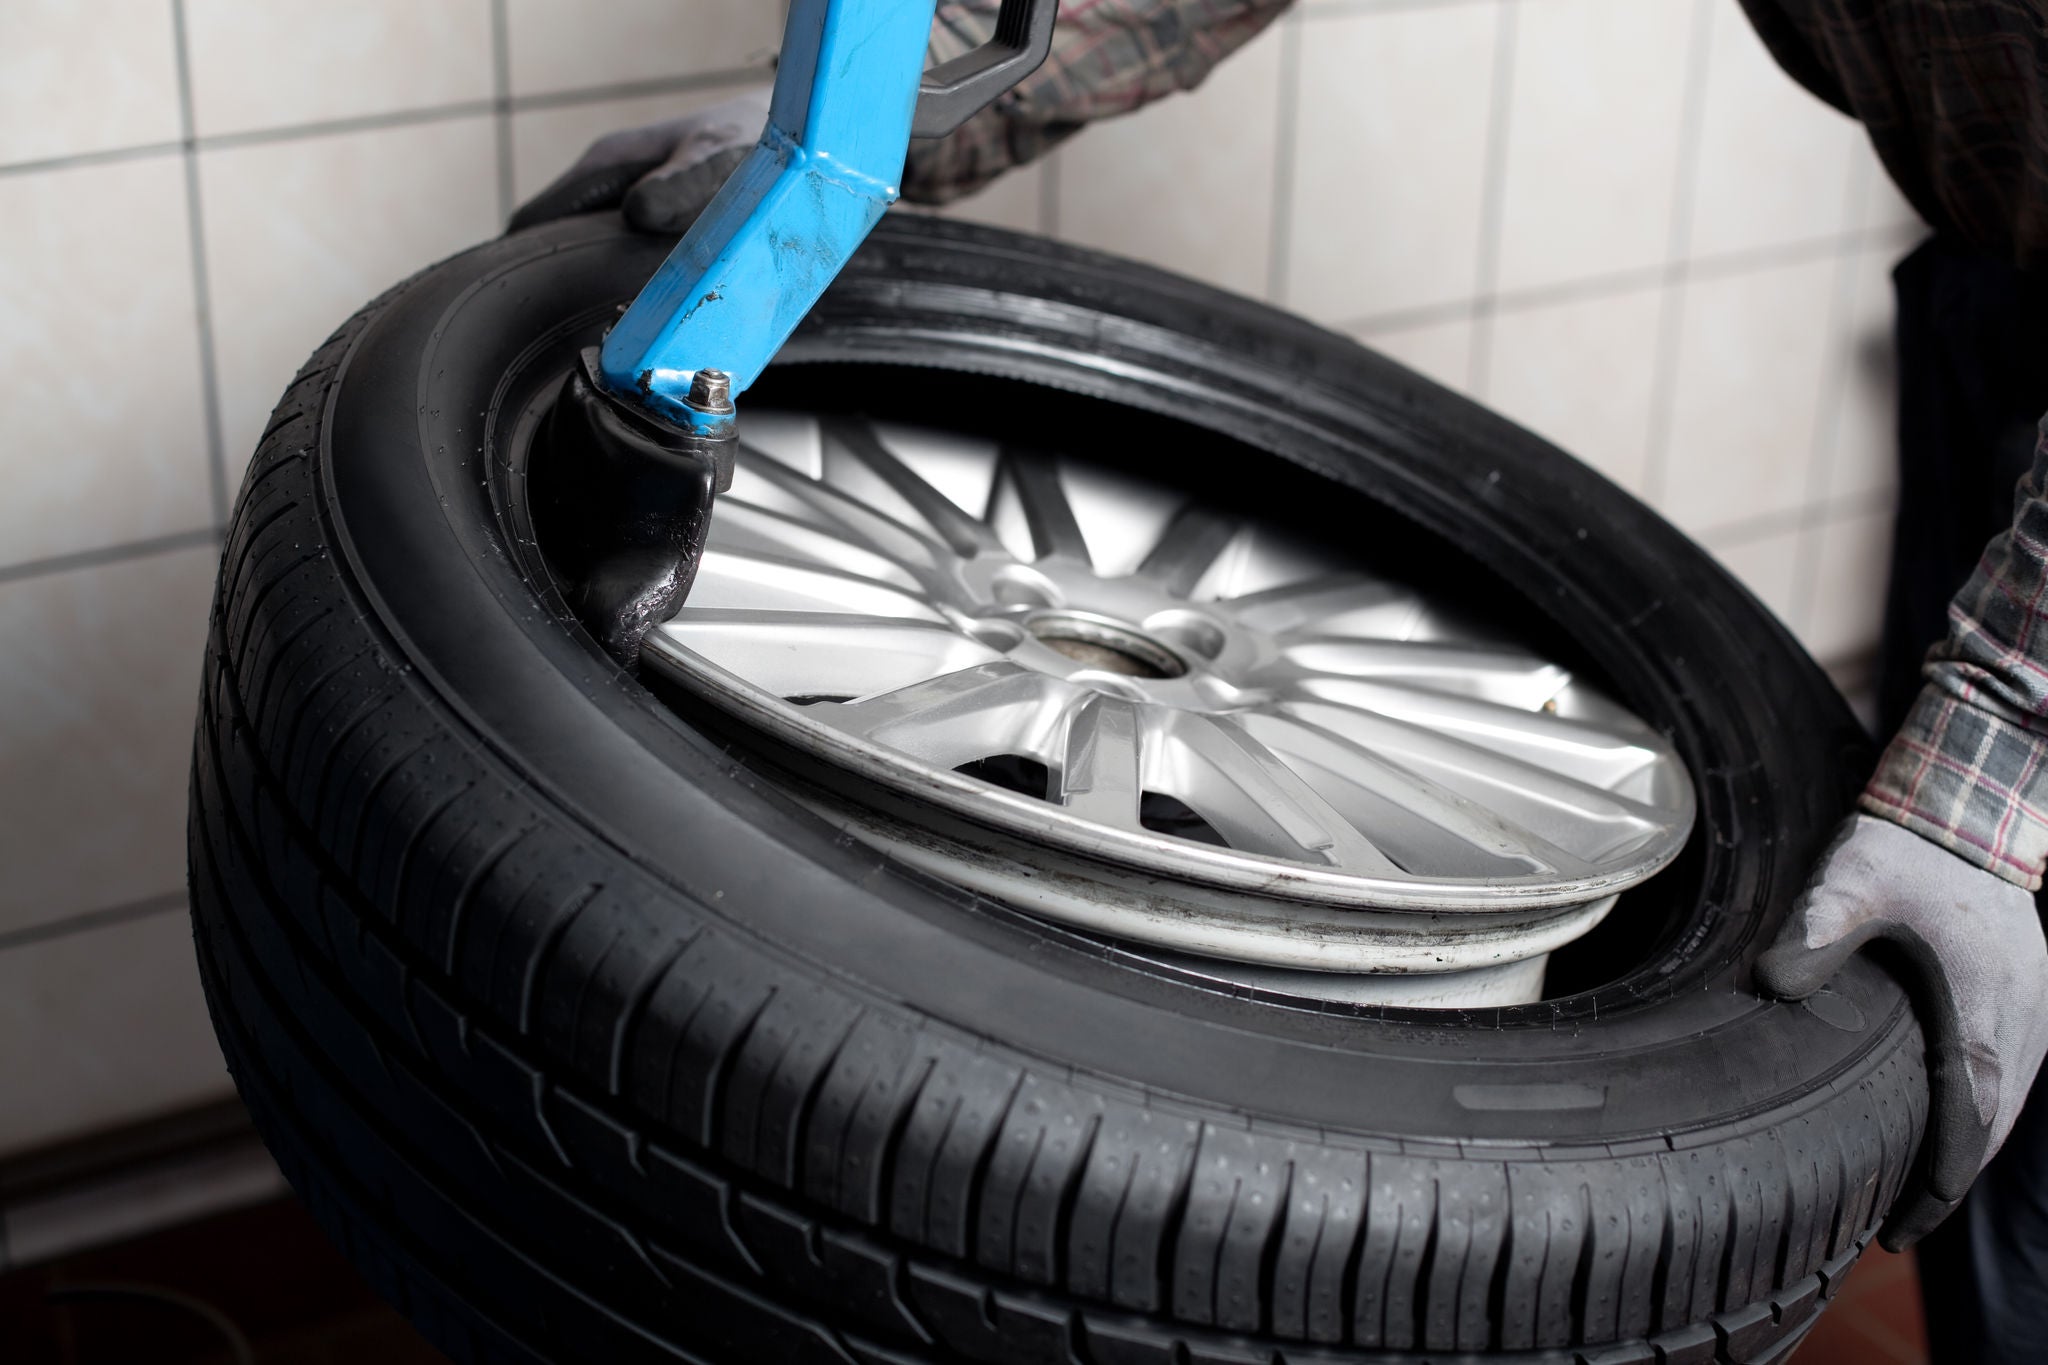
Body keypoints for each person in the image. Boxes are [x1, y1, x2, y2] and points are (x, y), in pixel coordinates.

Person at [516, 3, 2048, 1357]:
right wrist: (857, 139)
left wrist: (2004, 755)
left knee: (2015, 1096)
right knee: (1951, 1033)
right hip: (2010, 283)